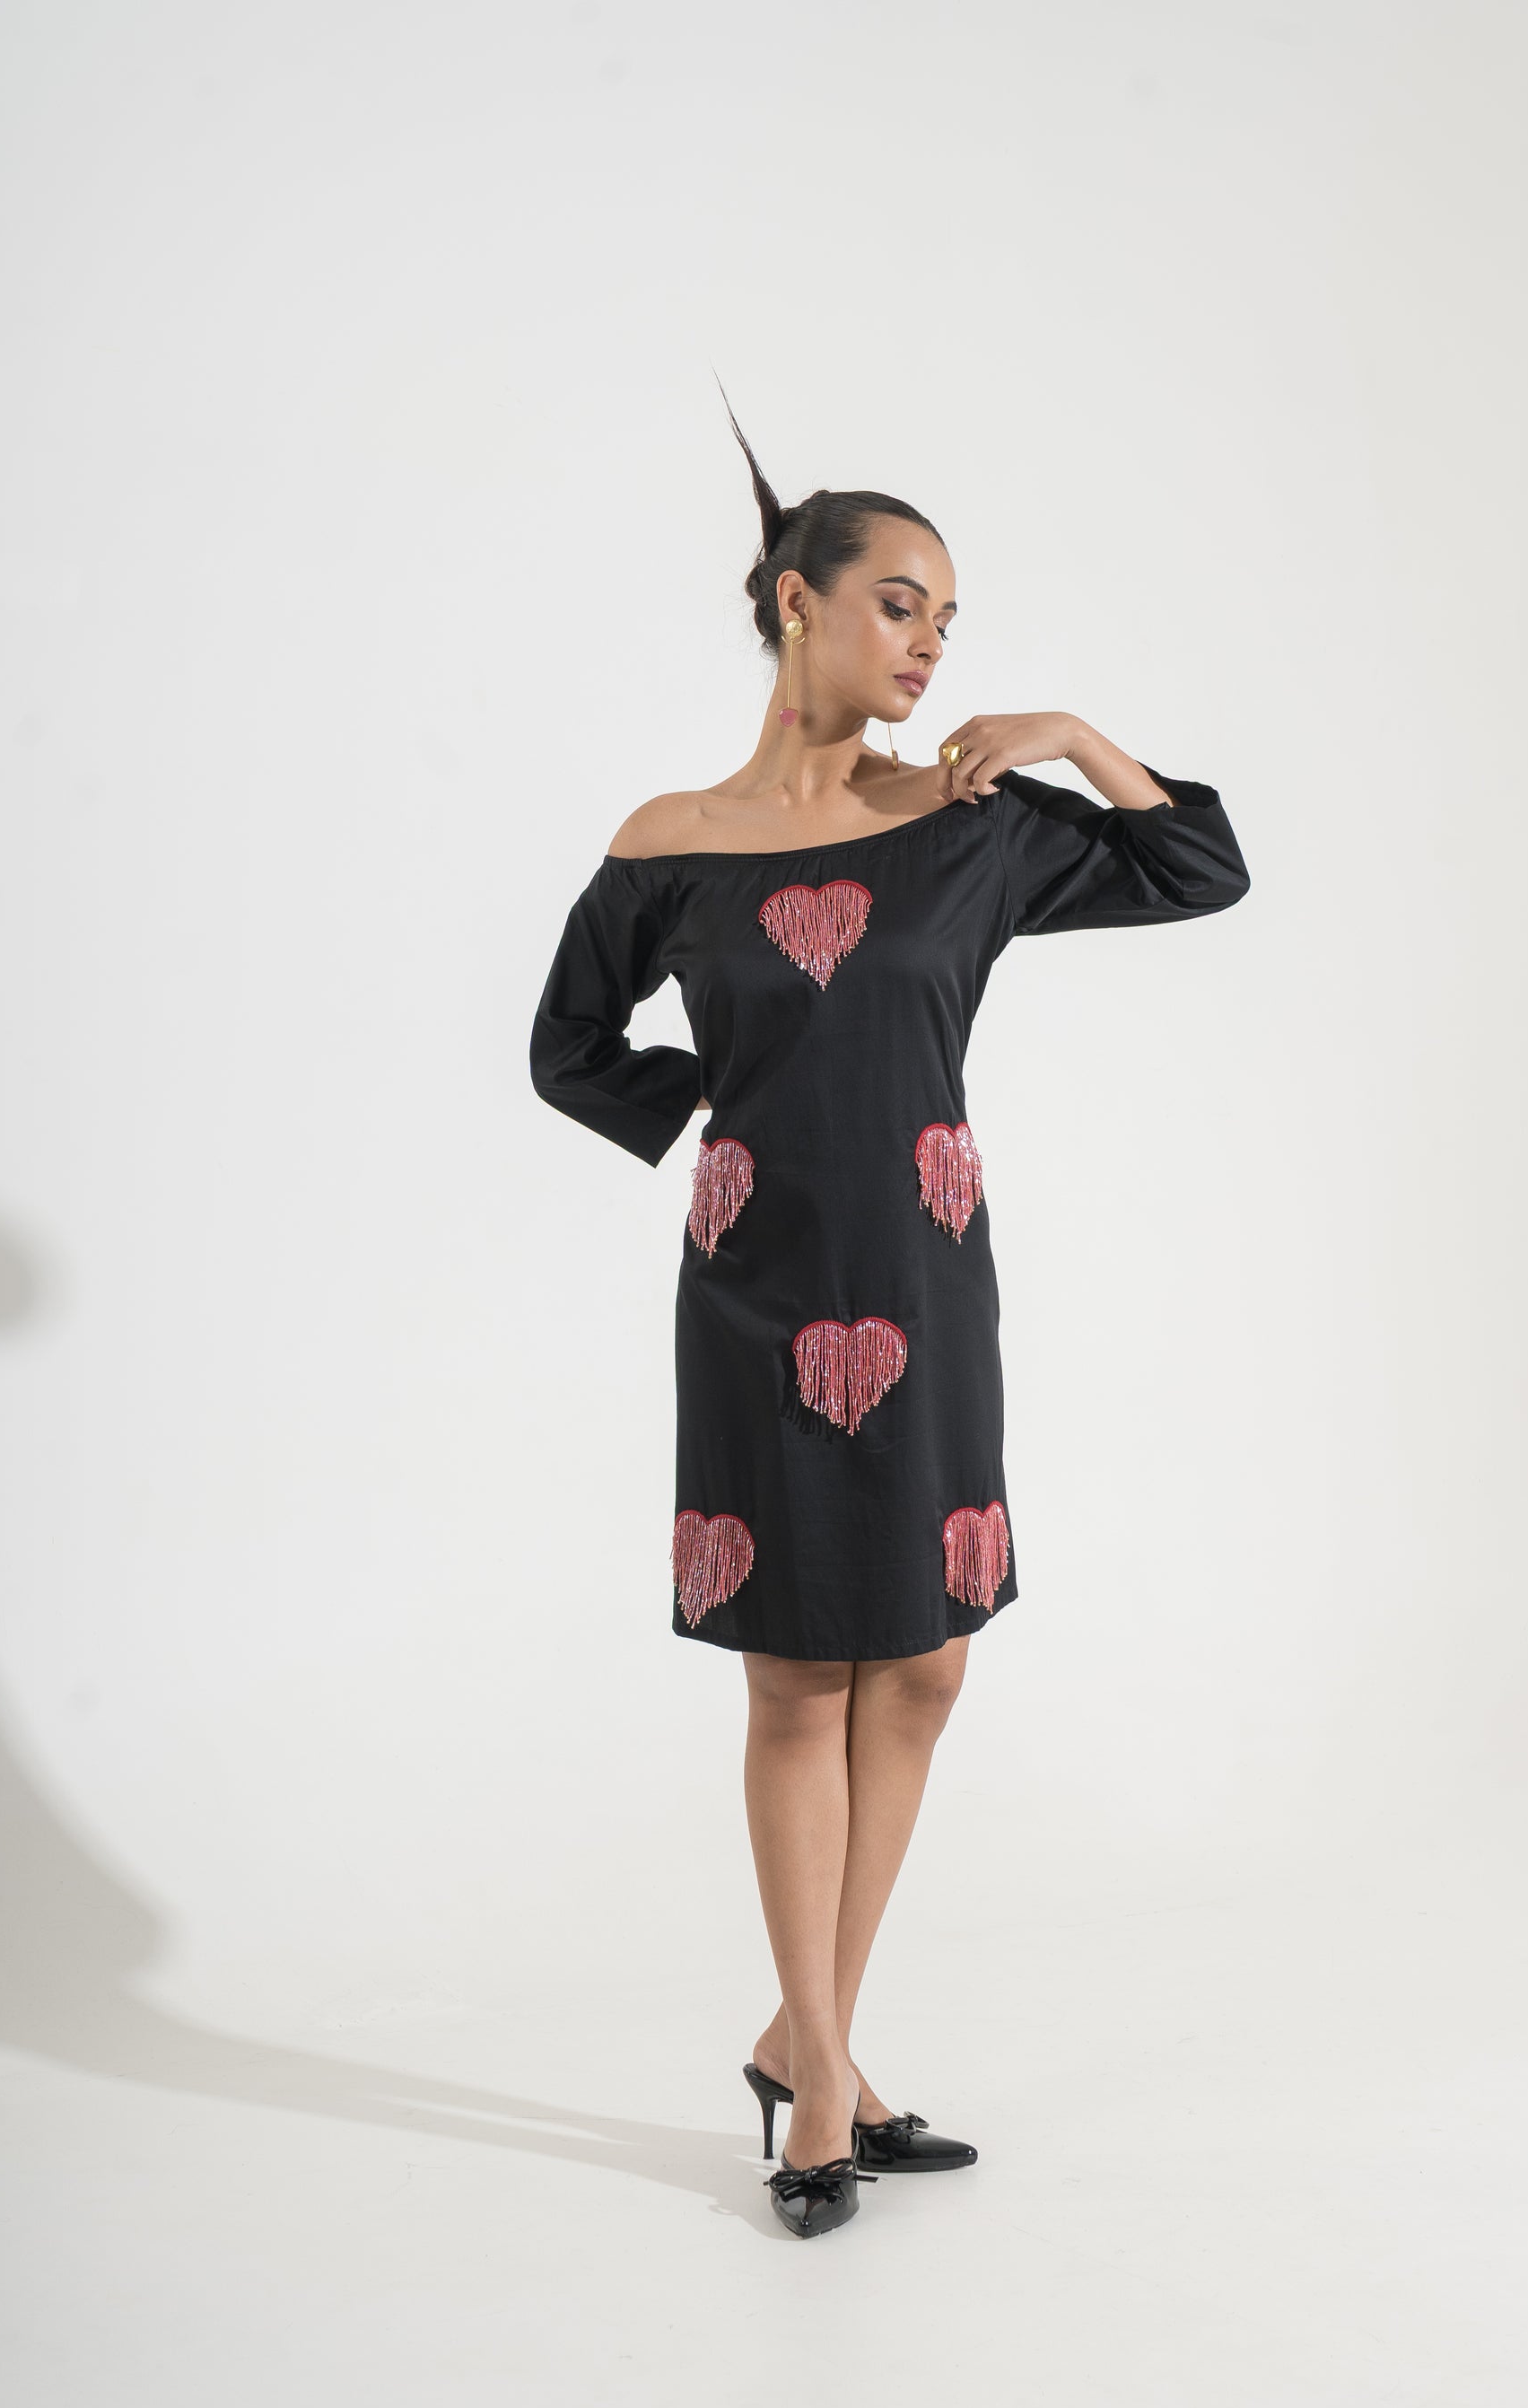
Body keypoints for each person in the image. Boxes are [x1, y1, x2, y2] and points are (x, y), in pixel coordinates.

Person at [530, 402, 1253, 2237]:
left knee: (923, 1666)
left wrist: (1071, 735)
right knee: (799, 1677)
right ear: (798, 602)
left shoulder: (970, 828)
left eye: (948, 618)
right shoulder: (671, 844)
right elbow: (568, 1045)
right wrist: (712, 1110)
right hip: (756, 1294)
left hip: (931, 1282)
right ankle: (817, 2108)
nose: (931, 646)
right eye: (900, 603)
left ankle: (808, 2040)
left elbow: (1196, 869)